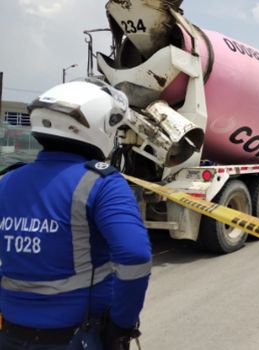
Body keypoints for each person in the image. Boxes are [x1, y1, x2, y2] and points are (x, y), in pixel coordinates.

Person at [0, 79, 151, 350]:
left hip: (10, 330)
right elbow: (134, 255)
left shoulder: (7, 182)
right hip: (78, 335)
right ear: (96, 126)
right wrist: (122, 325)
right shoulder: (102, 182)